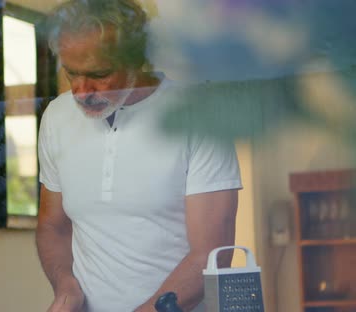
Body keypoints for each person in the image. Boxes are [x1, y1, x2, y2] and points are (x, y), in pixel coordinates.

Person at [35, 1, 242, 311]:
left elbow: (211, 254)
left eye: (99, 73)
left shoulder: (200, 115)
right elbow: (53, 226)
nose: (81, 90)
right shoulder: (56, 117)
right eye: (71, 72)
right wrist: (65, 286)